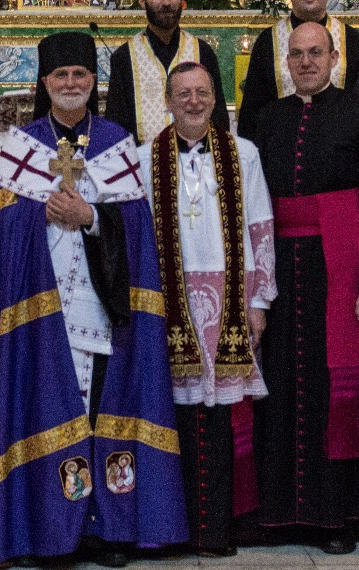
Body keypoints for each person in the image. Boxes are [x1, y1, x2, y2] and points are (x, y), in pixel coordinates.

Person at [0, 32, 184, 568]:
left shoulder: (115, 143)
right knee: (45, 407)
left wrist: (90, 218)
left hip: (104, 312)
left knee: (102, 407)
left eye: (79, 76)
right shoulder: (22, 145)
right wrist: (35, 214)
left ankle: (105, 529)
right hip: (42, 315)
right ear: (44, 82)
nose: (69, 84)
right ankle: (47, 529)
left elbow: (138, 230)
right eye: (60, 76)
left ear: (94, 83)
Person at [247, 21, 359, 554]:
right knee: (279, 385)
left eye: (317, 53)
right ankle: (278, 514)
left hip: (339, 271)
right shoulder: (268, 120)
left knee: (330, 389)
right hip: (279, 271)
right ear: (285, 62)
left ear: (336, 57)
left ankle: (334, 516)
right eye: (297, 54)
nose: (307, 62)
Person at [136, 61, 275, 556]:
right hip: (167, 300)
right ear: (167, 102)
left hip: (229, 298)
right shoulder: (143, 157)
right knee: (173, 412)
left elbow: (259, 224)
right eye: (183, 94)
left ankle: (217, 529)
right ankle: (175, 527)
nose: (193, 101)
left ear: (215, 99)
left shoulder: (244, 154)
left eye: (202, 93)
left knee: (219, 416)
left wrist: (258, 300)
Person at [236, 0, 359, 140]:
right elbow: (252, 113)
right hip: (283, 146)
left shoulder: (351, 40)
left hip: (340, 148)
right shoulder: (268, 41)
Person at [104, 0, 228, 141]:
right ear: (142, 1)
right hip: (143, 163)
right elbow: (116, 124)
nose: (166, 2)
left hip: (197, 161)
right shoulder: (125, 57)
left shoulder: (202, 52)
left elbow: (219, 118)